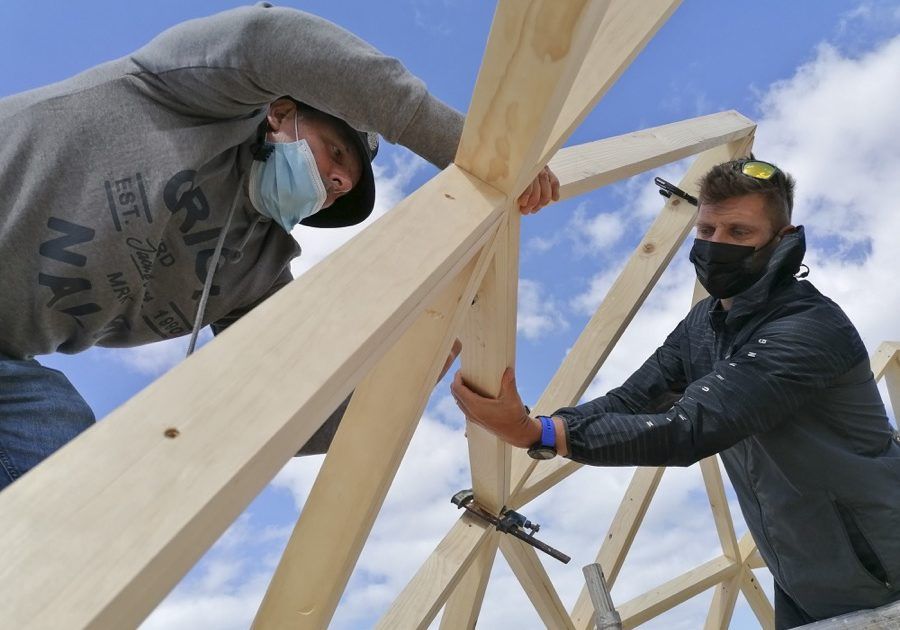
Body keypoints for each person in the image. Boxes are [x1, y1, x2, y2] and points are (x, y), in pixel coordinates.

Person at [0, 4, 559, 491]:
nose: (339, 181)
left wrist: (410, 368)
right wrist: (475, 154)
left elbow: (281, 411)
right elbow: (266, 40)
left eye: (344, 185)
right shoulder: (194, 101)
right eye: (336, 152)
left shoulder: (253, 270)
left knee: (52, 473)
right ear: (281, 113)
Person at [451, 158, 900, 628]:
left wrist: (535, 434)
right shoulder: (704, 325)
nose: (716, 244)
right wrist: (536, 424)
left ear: (783, 239)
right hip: (801, 580)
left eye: (738, 232)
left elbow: (687, 430)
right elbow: (630, 401)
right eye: (706, 230)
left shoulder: (807, 327)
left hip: (884, 569)